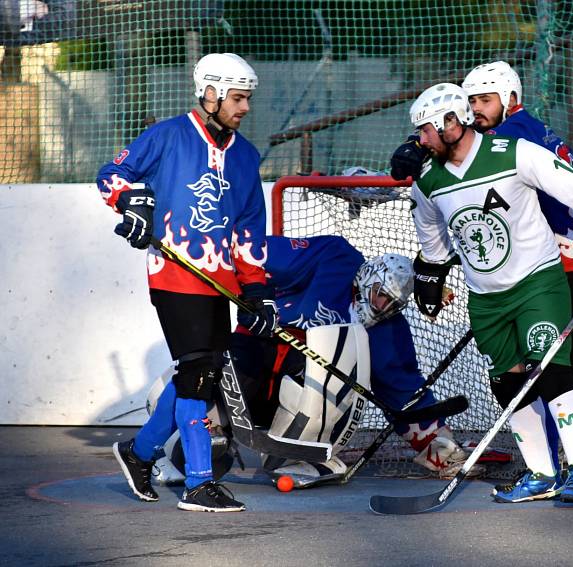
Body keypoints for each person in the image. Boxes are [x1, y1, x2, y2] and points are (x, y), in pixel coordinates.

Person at [402, 82, 573, 506]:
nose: (419, 141)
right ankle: (542, 474)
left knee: (551, 368)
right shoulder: (427, 182)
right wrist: (430, 275)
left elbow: (569, 183)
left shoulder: (511, 152)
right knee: (507, 383)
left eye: (425, 130)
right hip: (485, 296)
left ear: (452, 124)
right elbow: (432, 236)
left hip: (538, 282)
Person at [97, 53, 278, 512]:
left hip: (218, 283)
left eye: (247, 99)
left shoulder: (245, 156)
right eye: (237, 98)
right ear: (210, 93)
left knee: (203, 371)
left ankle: (138, 455)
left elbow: (248, 228)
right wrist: (134, 203)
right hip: (175, 275)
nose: (244, 108)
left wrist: (255, 289)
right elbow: (111, 176)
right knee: (199, 371)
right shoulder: (167, 136)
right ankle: (199, 482)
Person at [227, 234, 476, 487]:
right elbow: (256, 253)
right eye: (381, 294)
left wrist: (435, 442)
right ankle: (204, 433)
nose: (382, 305)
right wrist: (249, 293)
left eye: (391, 303)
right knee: (227, 369)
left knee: (334, 370)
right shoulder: (334, 256)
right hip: (261, 345)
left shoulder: (385, 326)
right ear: (368, 278)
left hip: (301, 383)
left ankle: (303, 453)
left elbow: (401, 384)